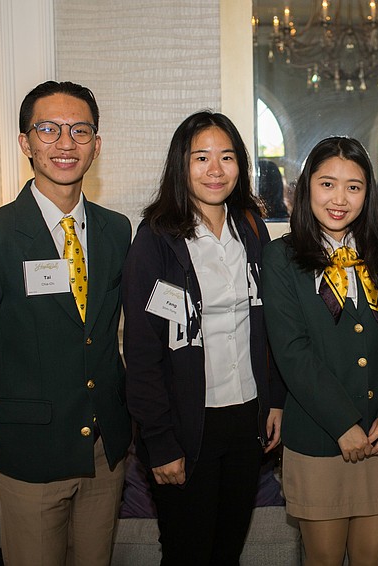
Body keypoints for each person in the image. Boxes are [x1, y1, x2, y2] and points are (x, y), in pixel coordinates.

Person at [0, 80, 131, 565]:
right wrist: (11, 406)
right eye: (49, 129)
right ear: (25, 142)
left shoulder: (116, 230)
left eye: (80, 130)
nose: (65, 143)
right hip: (30, 454)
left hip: (104, 451)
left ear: (96, 145)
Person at [121, 111, 284, 566]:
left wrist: (274, 401)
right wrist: (159, 441)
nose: (215, 170)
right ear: (181, 165)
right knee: (186, 552)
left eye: (227, 157)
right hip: (185, 425)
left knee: (228, 549)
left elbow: (268, 325)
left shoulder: (251, 230)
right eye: (202, 158)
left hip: (246, 419)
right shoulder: (155, 241)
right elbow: (142, 352)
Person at [263, 137, 378, 566]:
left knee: (372, 558)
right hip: (318, 437)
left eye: (354, 187)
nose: (340, 199)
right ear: (307, 186)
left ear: (368, 194)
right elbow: (293, 352)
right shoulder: (281, 257)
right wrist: (343, 423)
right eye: (327, 184)